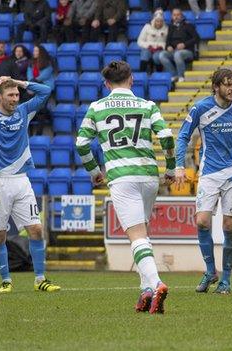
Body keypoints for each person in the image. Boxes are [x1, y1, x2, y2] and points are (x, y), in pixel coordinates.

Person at [75, 61, 175, 313]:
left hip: (122, 176)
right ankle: (146, 292)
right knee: (143, 232)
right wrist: (171, 168)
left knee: (136, 236)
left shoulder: (97, 107)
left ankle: (157, 282)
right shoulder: (147, 105)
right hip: (149, 177)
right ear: (131, 79)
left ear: (107, 84)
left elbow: (81, 143)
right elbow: (166, 137)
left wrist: (94, 171)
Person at [175, 68, 232, 294]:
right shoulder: (201, 108)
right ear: (216, 87)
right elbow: (183, 136)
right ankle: (211, 271)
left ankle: (226, 280)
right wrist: (179, 166)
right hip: (209, 174)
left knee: (229, 225)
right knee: (202, 221)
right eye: (228, 84)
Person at [0, 76, 58, 293]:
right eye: (10, 95)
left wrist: (19, 83)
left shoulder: (24, 112)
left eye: (17, 95)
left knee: (36, 229)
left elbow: (45, 91)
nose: (15, 99)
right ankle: (6, 280)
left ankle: (40, 279)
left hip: (21, 181)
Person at [159, 8, 199, 82]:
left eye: (178, 15)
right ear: (172, 16)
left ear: (181, 16)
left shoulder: (188, 25)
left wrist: (184, 44)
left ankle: (181, 76)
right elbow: (168, 41)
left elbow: (197, 38)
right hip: (174, 51)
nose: (176, 17)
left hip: (187, 51)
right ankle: (174, 75)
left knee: (177, 54)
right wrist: (168, 46)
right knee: (162, 55)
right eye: (174, 15)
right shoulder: (171, 27)